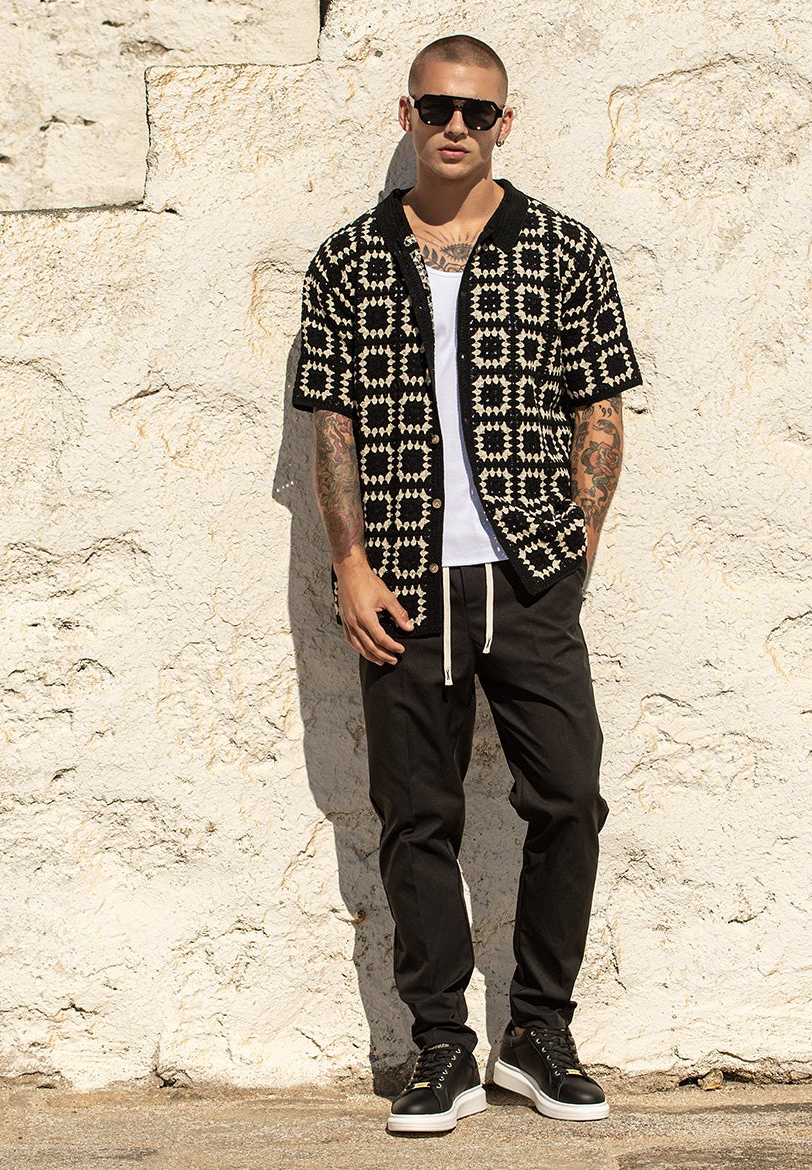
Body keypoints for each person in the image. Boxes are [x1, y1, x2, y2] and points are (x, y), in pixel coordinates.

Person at [289, 33, 640, 1135]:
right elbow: (331, 421)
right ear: (406, 114)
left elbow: (599, 406)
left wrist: (572, 552)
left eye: (476, 112)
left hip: (527, 575)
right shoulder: (349, 261)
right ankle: (440, 1046)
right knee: (416, 817)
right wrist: (349, 563)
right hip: (402, 581)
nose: (455, 126)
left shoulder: (564, 250)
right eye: (437, 107)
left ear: (503, 124)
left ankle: (537, 1034)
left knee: (569, 798)